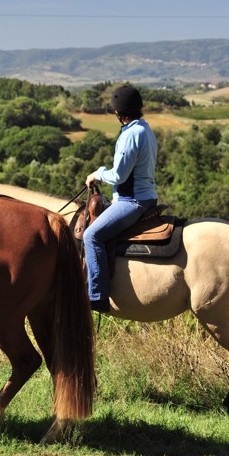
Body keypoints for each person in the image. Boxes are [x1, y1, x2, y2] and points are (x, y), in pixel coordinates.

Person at [83, 85, 158, 313]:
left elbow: (118, 175)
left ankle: (96, 296)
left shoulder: (131, 135)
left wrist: (97, 173)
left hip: (131, 201)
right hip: (144, 197)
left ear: (118, 112)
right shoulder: (145, 128)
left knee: (91, 235)